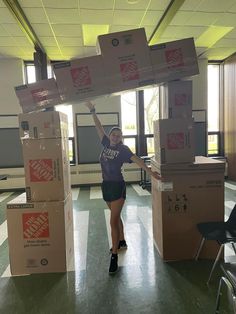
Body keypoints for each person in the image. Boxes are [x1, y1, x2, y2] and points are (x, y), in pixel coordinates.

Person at [85, 101, 161, 274]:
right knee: (116, 217)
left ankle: (114, 256)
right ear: (109, 136)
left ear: (121, 138)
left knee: (112, 220)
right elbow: (98, 127)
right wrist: (92, 110)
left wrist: (150, 172)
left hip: (118, 186)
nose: (116, 137)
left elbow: (138, 160)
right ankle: (122, 241)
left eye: (119, 135)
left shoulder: (124, 150)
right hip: (106, 186)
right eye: (114, 134)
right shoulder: (104, 144)